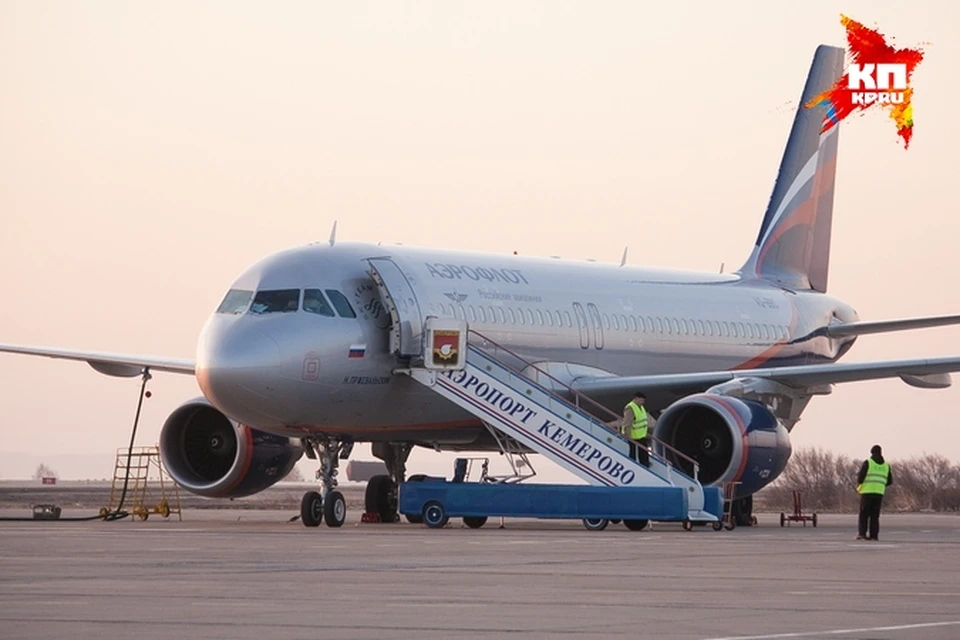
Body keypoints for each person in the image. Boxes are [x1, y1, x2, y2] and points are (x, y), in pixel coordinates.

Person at [856, 444, 893, 541]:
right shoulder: (886, 466)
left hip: (867, 492)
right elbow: (889, 481)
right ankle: (874, 536)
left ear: (871, 452)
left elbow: (860, 478)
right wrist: (880, 485)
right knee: (874, 516)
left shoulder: (868, 462)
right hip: (879, 493)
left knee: (864, 515)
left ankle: (862, 534)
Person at [612, 391, 651, 467]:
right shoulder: (630, 408)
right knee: (633, 453)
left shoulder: (641, 407)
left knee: (643, 454)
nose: (643, 402)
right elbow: (627, 423)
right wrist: (628, 435)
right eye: (642, 400)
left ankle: (645, 466)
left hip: (641, 436)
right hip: (633, 437)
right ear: (636, 398)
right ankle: (633, 466)